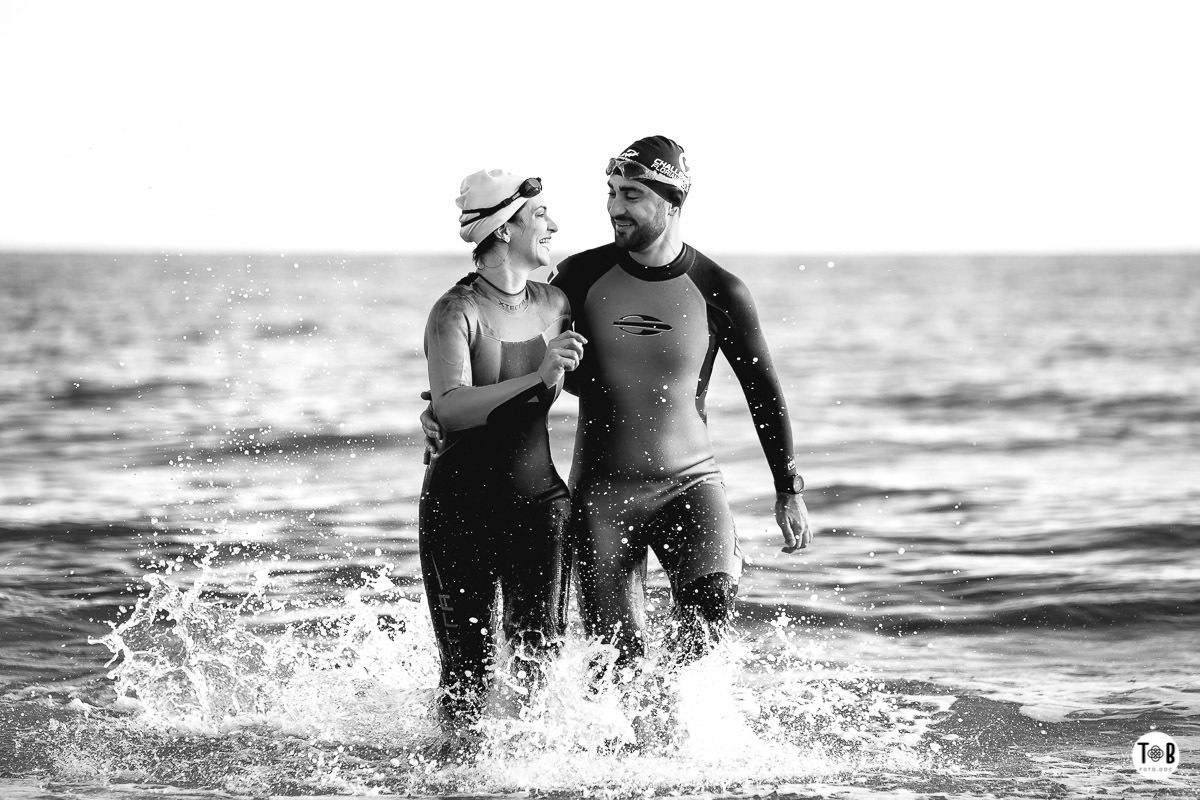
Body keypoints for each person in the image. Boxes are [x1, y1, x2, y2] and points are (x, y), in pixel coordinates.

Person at [424, 137, 811, 669]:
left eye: (629, 195)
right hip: (603, 495)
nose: (613, 207)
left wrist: (787, 488)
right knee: (617, 663)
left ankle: (675, 734)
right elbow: (515, 345)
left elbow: (763, 395)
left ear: (671, 202)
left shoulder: (720, 289)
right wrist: (445, 409)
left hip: (691, 481)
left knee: (710, 616)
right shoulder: (579, 280)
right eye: (610, 192)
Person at [419, 168, 586, 723]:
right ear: (505, 228)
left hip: (540, 505)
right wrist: (537, 378)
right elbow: (450, 406)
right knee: (463, 680)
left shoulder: (557, 303)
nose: (553, 224)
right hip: (459, 508)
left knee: (540, 666)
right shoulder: (456, 310)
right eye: (540, 216)